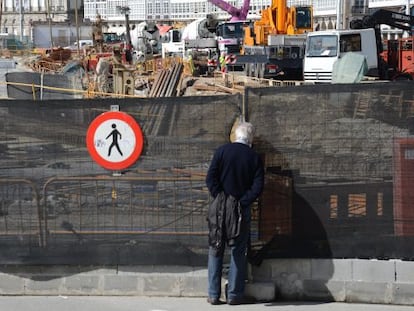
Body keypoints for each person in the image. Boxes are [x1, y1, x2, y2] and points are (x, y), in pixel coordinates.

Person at [205, 121, 265, 305]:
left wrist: (219, 196)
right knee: (238, 250)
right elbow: (258, 186)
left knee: (216, 247)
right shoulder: (254, 158)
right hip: (240, 209)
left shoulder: (222, 151)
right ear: (251, 138)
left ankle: (213, 294)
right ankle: (234, 295)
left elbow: (210, 178)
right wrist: (243, 202)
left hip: (220, 207)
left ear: (236, 135)